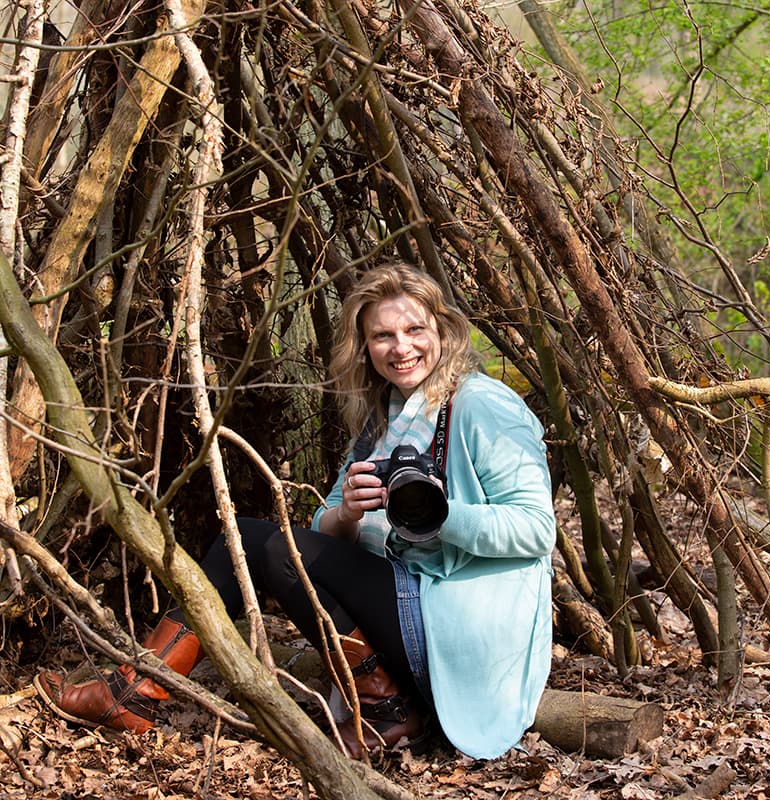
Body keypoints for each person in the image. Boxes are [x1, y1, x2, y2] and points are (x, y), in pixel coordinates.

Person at [35, 263, 556, 760]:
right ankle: (144, 691)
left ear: (443, 330)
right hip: (412, 602)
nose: (402, 348)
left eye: (415, 329)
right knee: (245, 536)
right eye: (382, 336)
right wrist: (347, 514)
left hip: (460, 627)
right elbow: (319, 533)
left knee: (270, 545)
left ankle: (141, 692)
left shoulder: (482, 405)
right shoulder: (385, 419)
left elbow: (536, 531)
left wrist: (438, 515)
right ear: (364, 346)